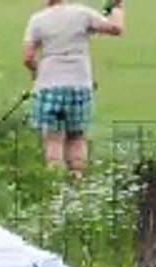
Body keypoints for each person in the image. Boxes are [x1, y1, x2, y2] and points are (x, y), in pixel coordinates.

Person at [22, 0, 126, 175]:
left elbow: (27, 57)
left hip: (49, 86)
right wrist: (117, 9)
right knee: (76, 137)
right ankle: (76, 183)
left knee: (52, 139)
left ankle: (53, 183)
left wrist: (36, 72)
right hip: (79, 85)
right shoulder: (82, 14)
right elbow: (115, 28)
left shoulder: (37, 20)